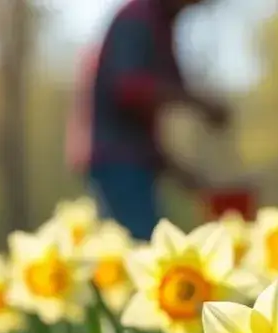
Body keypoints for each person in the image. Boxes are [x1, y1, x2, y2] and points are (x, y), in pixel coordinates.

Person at [67, 0, 230, 241]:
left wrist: (182, 172)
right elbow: (129, 89)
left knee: (141, 242)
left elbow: (167, 89)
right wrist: (197, 102)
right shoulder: (138, 17)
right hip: (116, 157)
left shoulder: (161, 23)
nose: (195, 7)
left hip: (132, 159)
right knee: (138, 246)